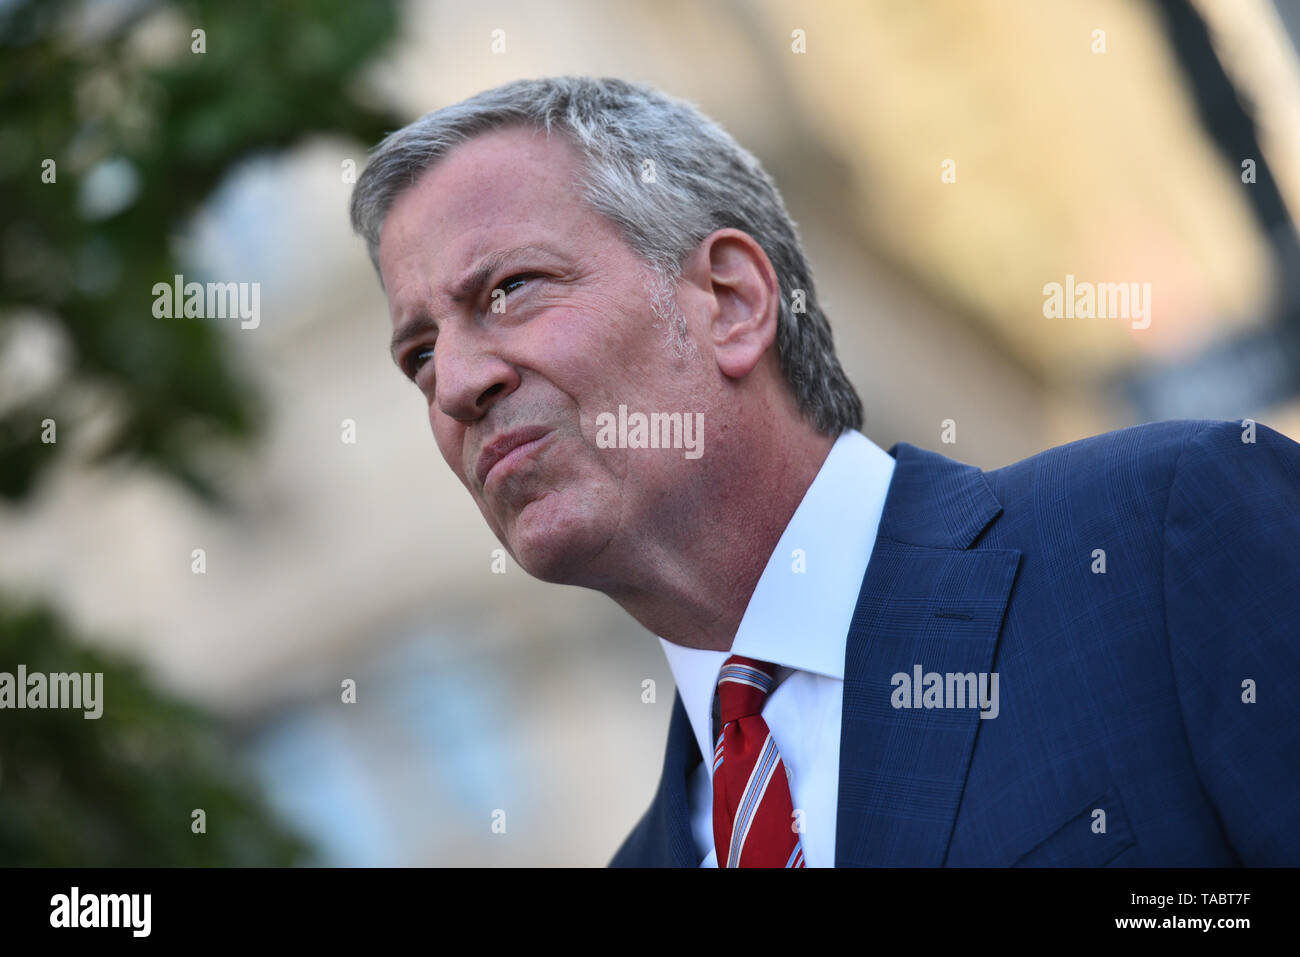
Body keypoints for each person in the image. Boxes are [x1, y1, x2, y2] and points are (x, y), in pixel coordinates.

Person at [350, 76, 1300, 867]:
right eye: (420, 353)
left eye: (509, 291)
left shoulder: (1157, 541)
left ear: (729, 299)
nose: (458, 384)